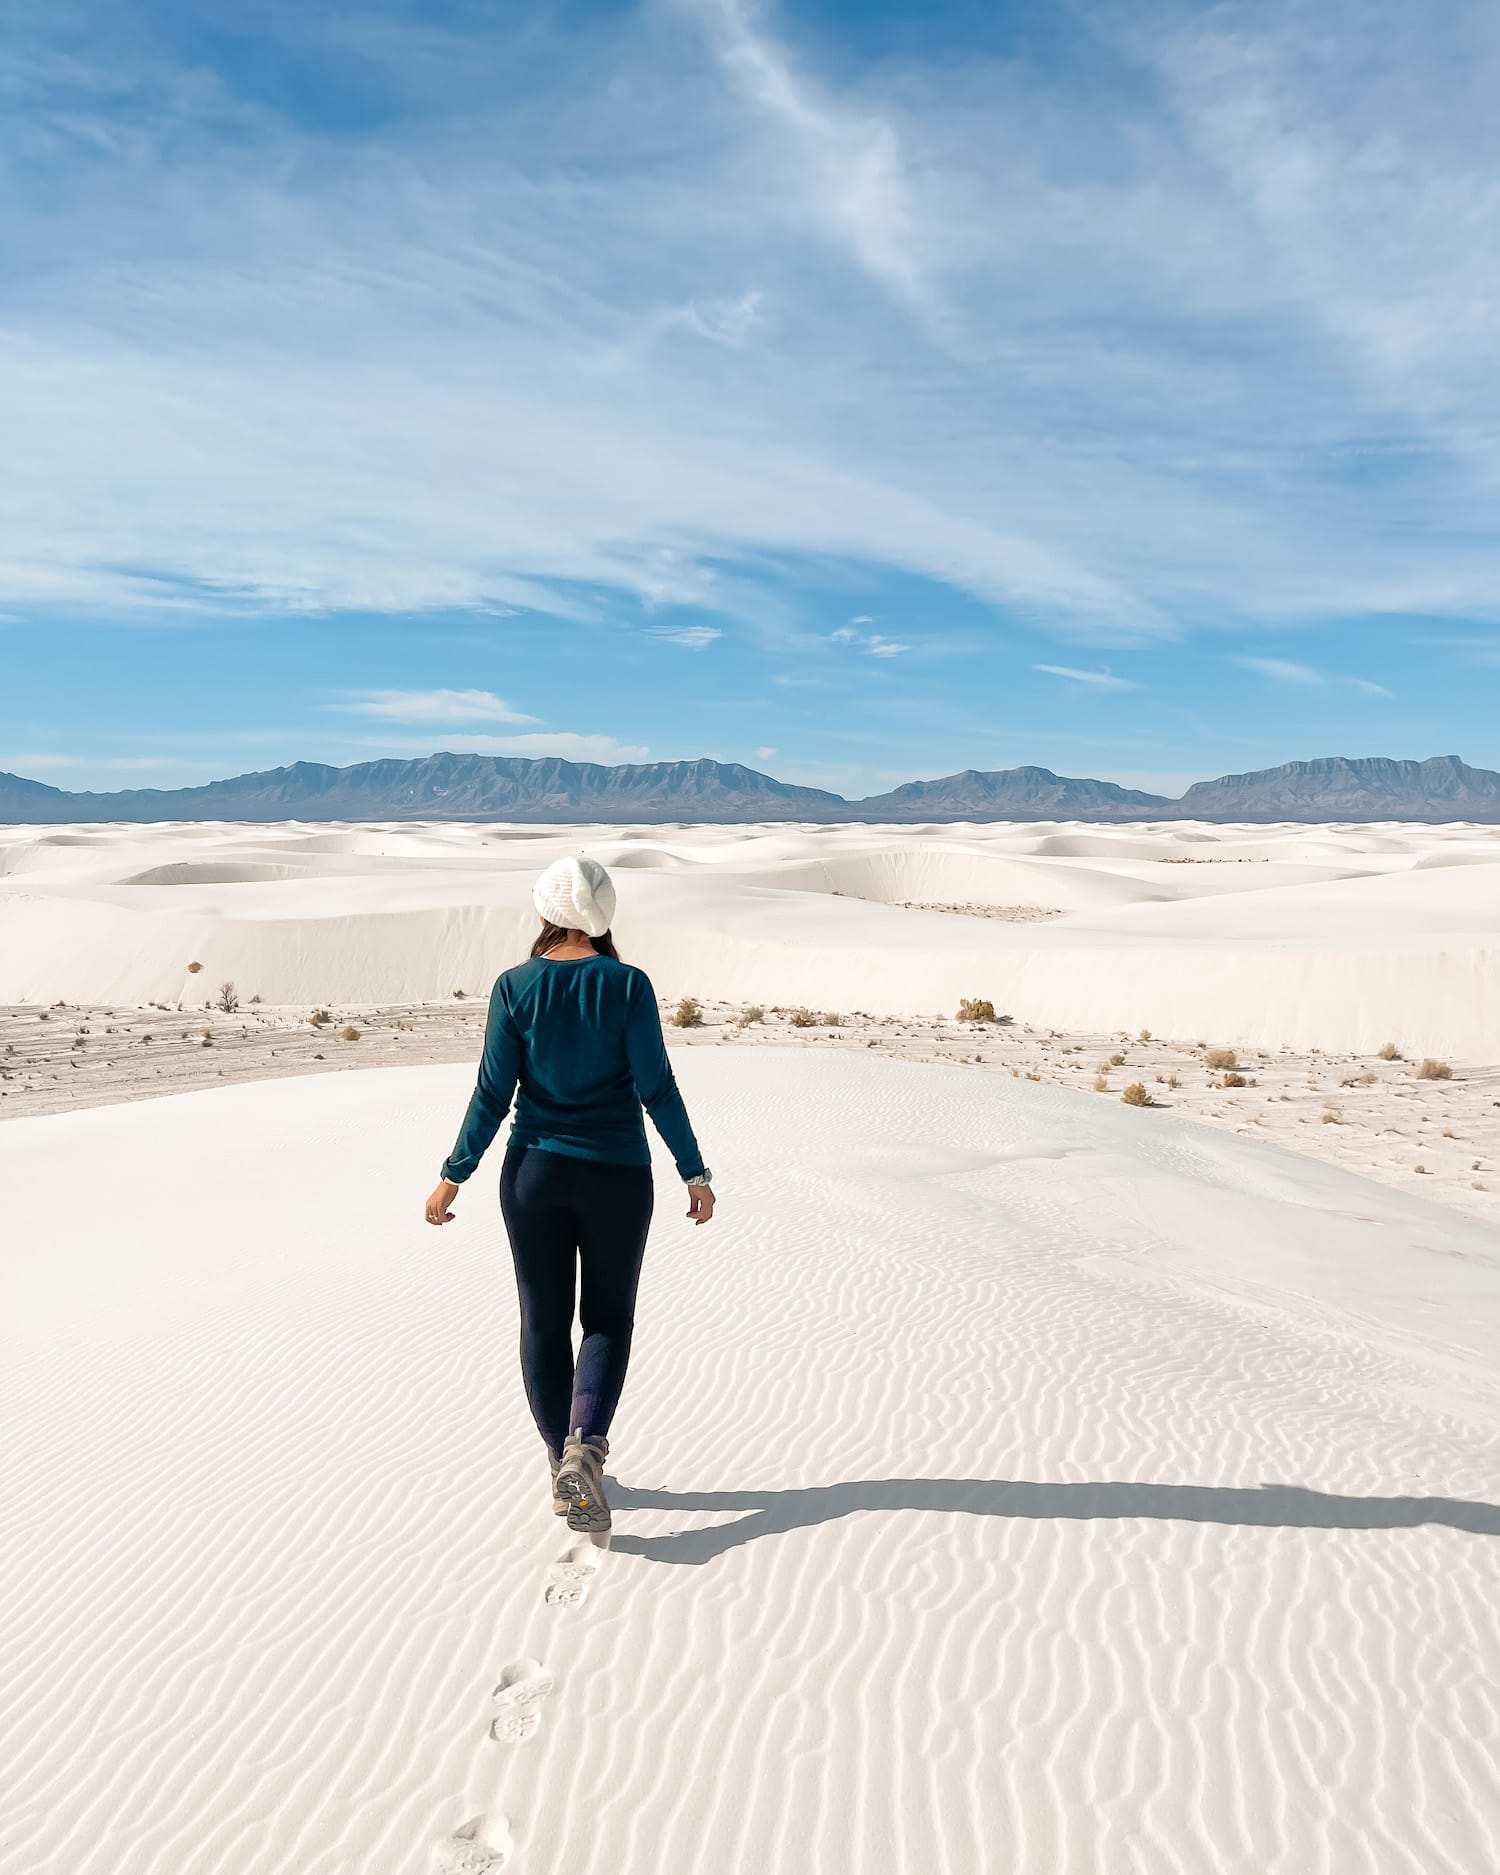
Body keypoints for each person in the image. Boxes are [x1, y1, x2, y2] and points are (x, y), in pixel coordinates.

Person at [425, 854, 715, 1535]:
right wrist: (694, 1172)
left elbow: (493, 1093)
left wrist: (453, 1174)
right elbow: (657, 1087)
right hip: (617, 1175)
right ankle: (587, 1444)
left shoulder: (514, 987)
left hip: (534, 1175)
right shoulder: (629, 986)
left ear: (546, 913)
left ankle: (561, 1457)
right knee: (607, 1319)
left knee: (542, 1323)